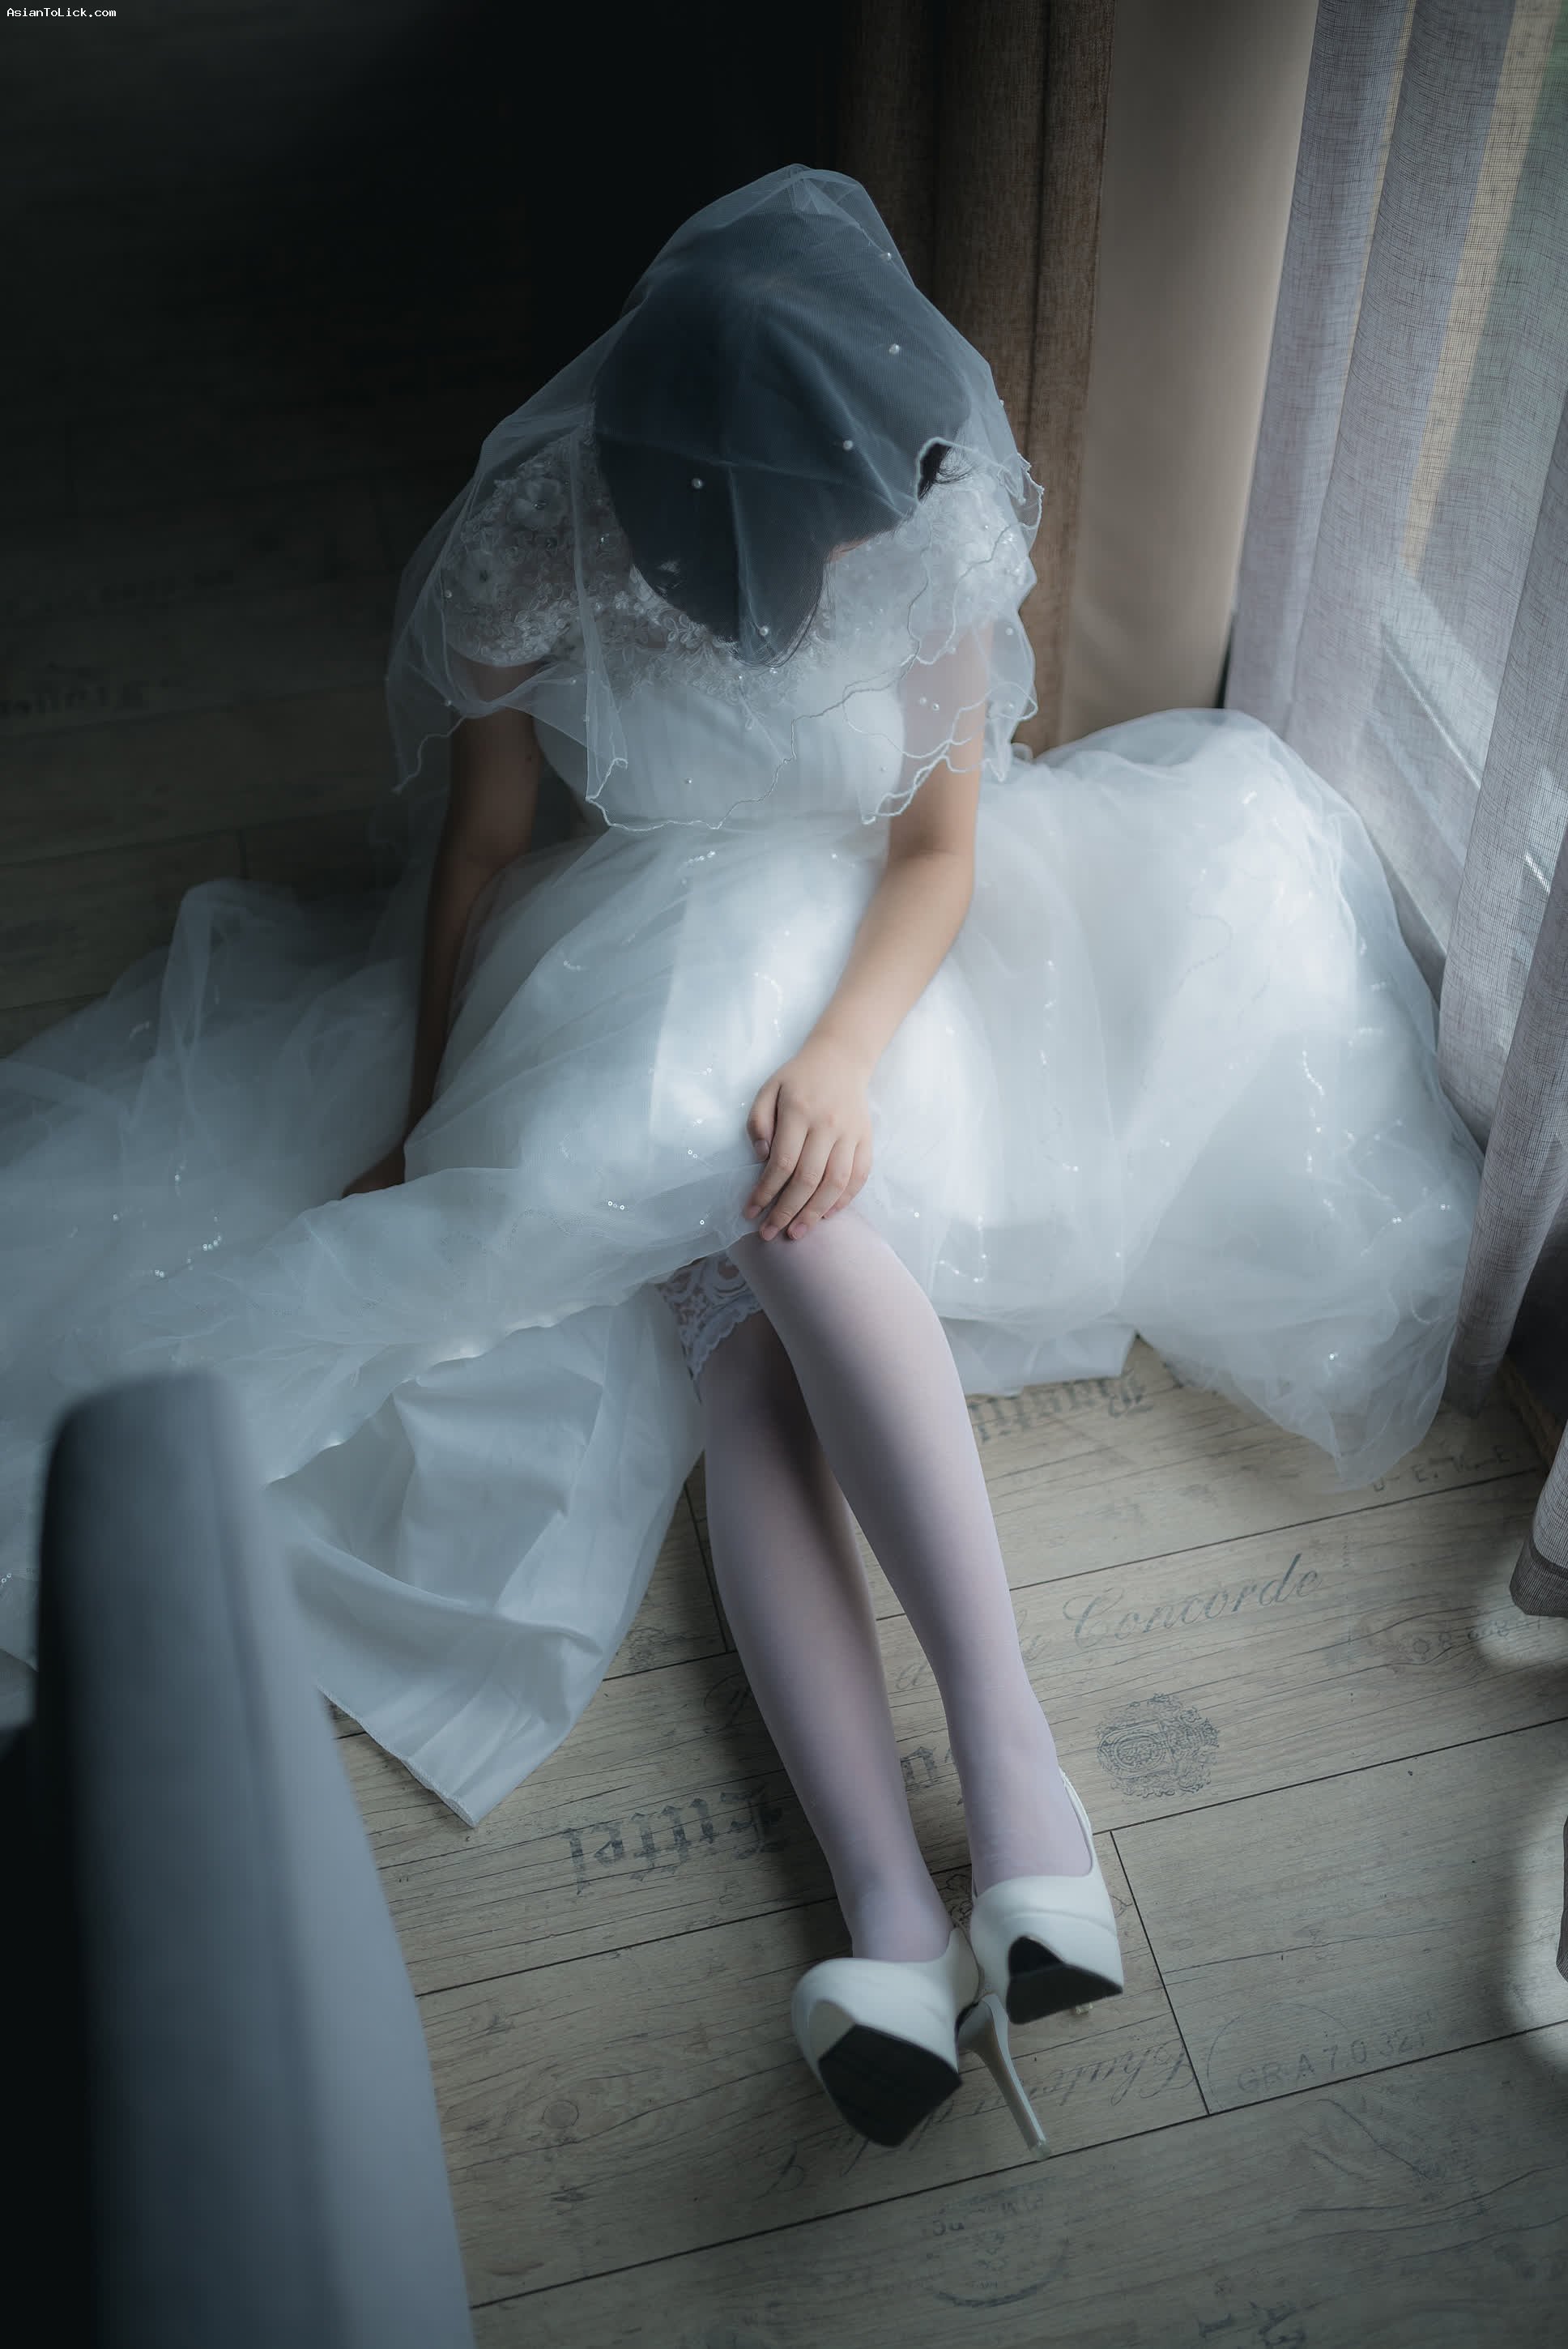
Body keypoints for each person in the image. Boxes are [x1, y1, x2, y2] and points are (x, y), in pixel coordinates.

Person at [0, 166, 1482, 2155]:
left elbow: (936, 848)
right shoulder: (540, 545)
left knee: (788, 1200)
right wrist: (428, 1110)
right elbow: (484, 843)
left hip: (878, 956)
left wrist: (841, 1051)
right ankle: (906, 1901)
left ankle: (1002, 1787)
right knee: (733, 1319)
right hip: (636, 954)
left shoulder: (920, 519)